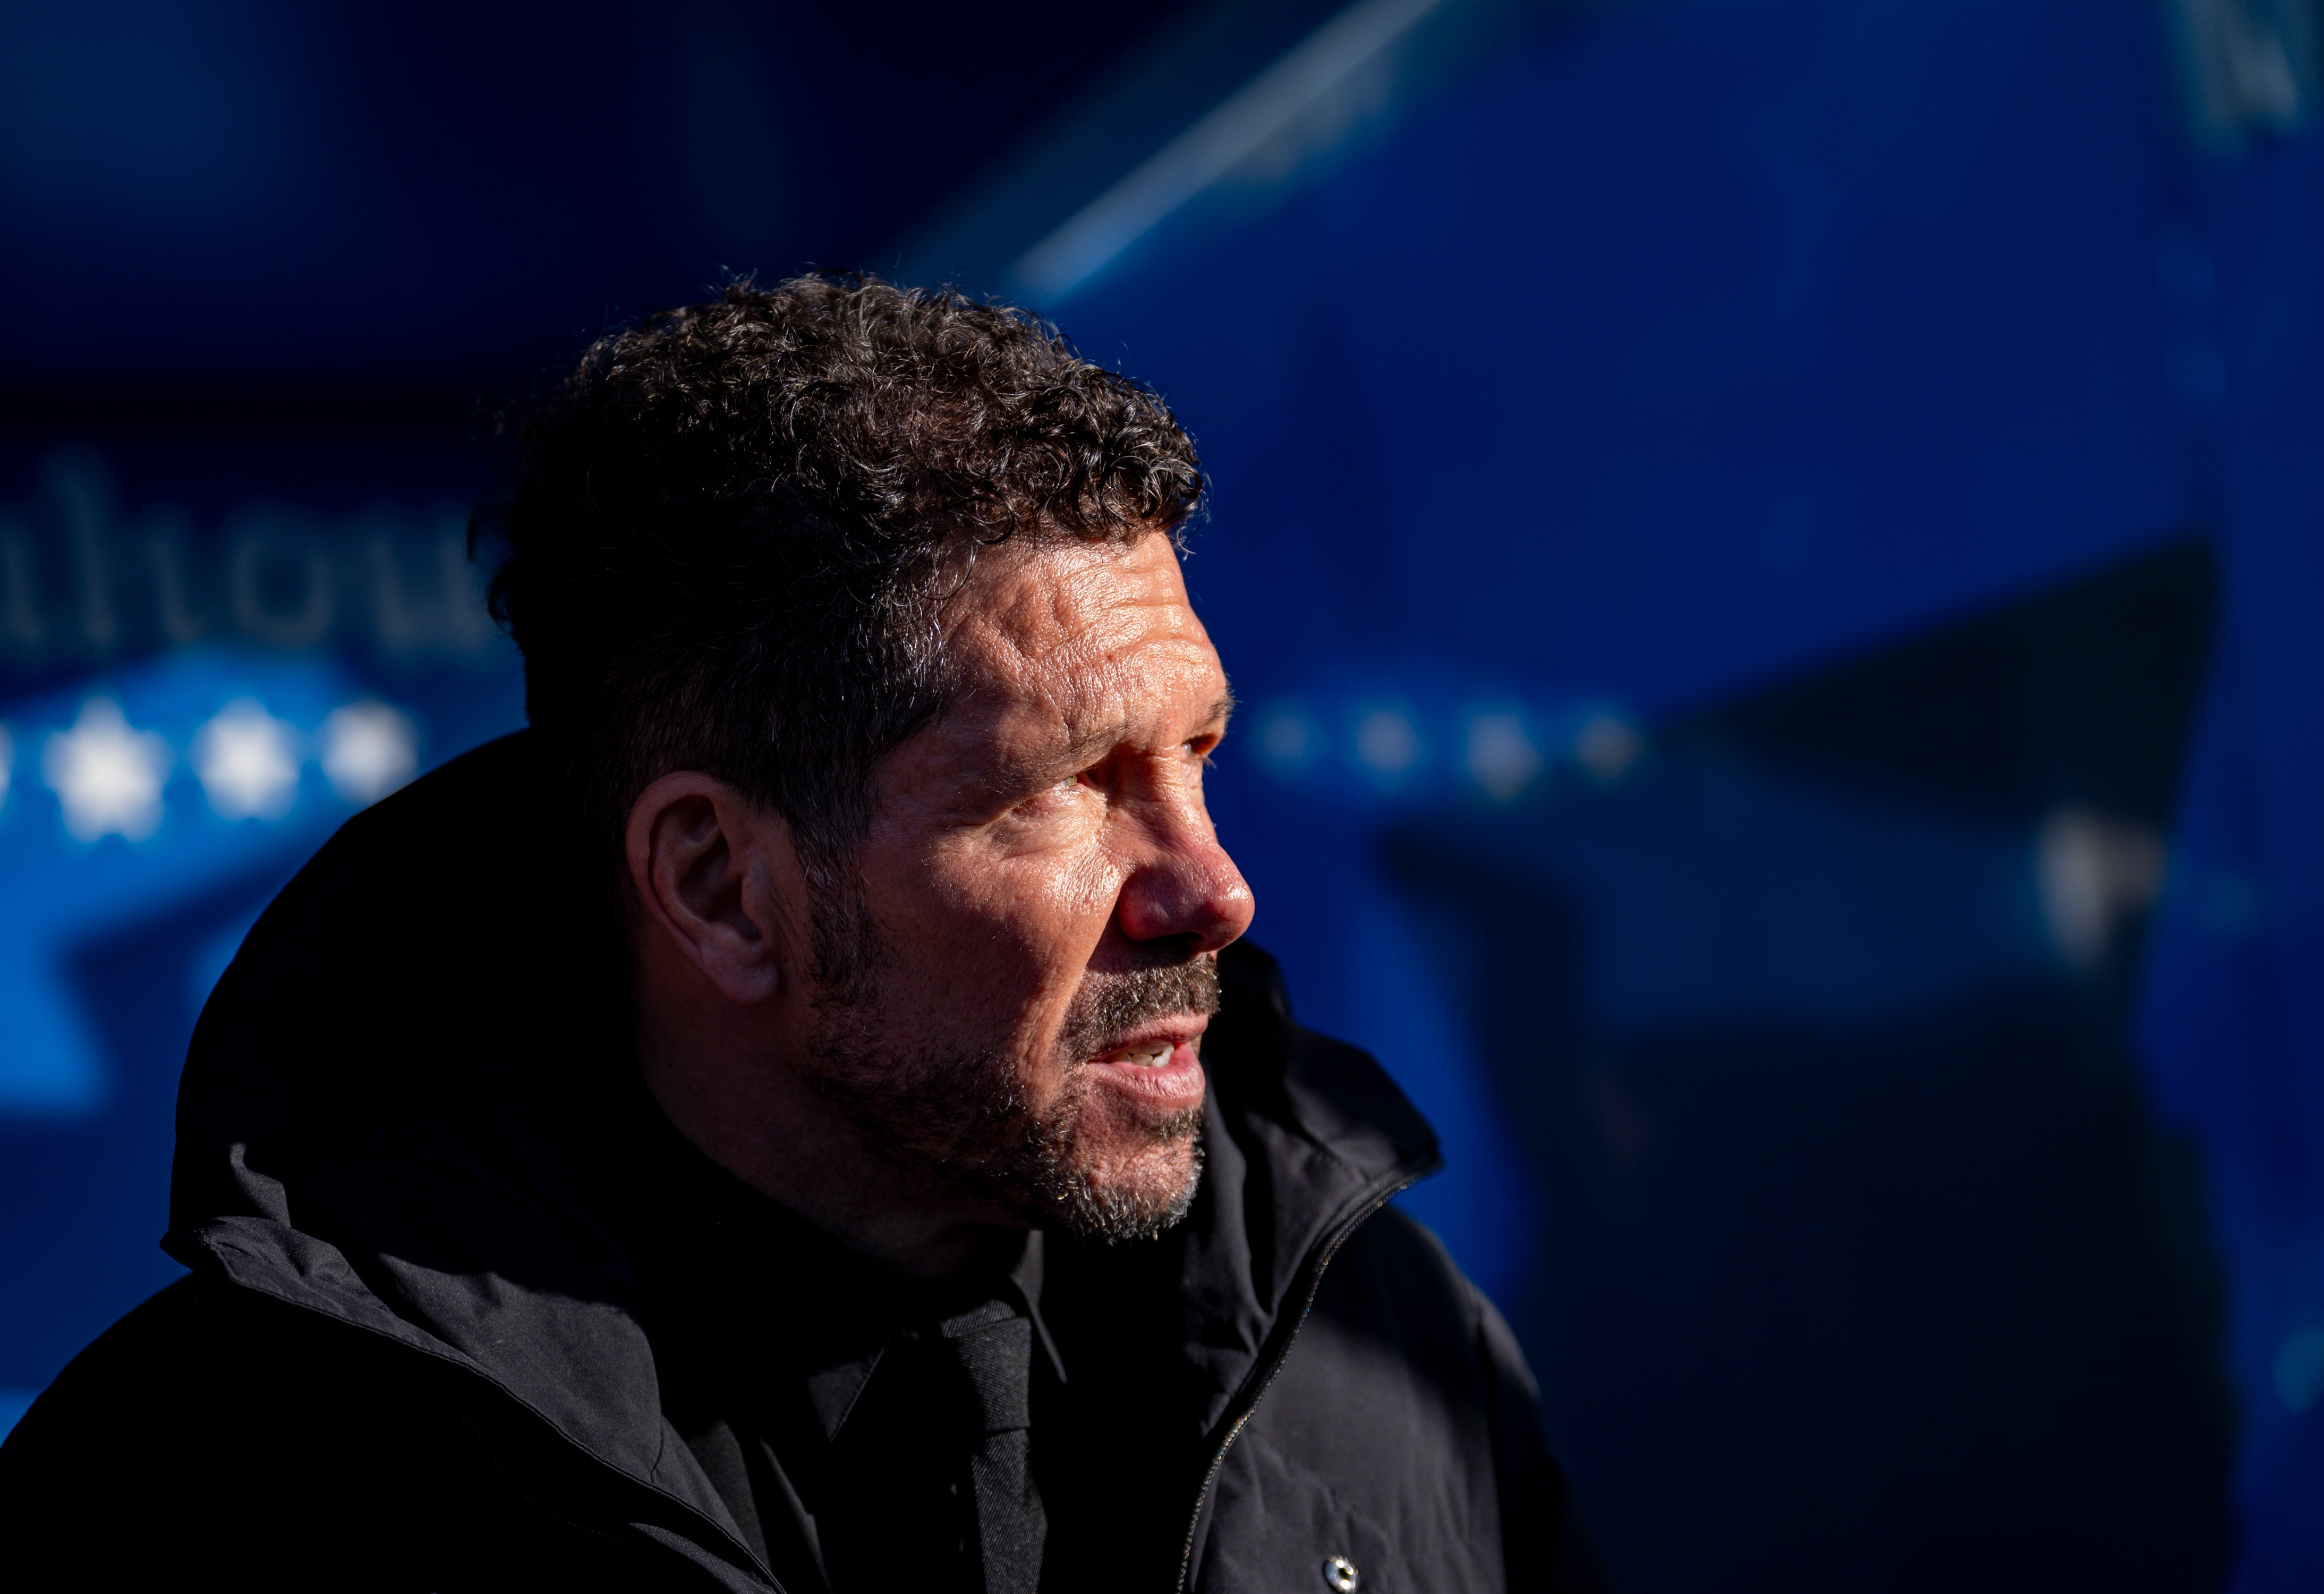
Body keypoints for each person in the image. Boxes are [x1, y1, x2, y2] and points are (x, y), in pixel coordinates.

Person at [0, 275, 1601, 1592]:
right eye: (1066, 787)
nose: (1214, 890)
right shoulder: (201, 1497)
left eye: (1194, 755)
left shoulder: (1385, 1340)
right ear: (718, 888)